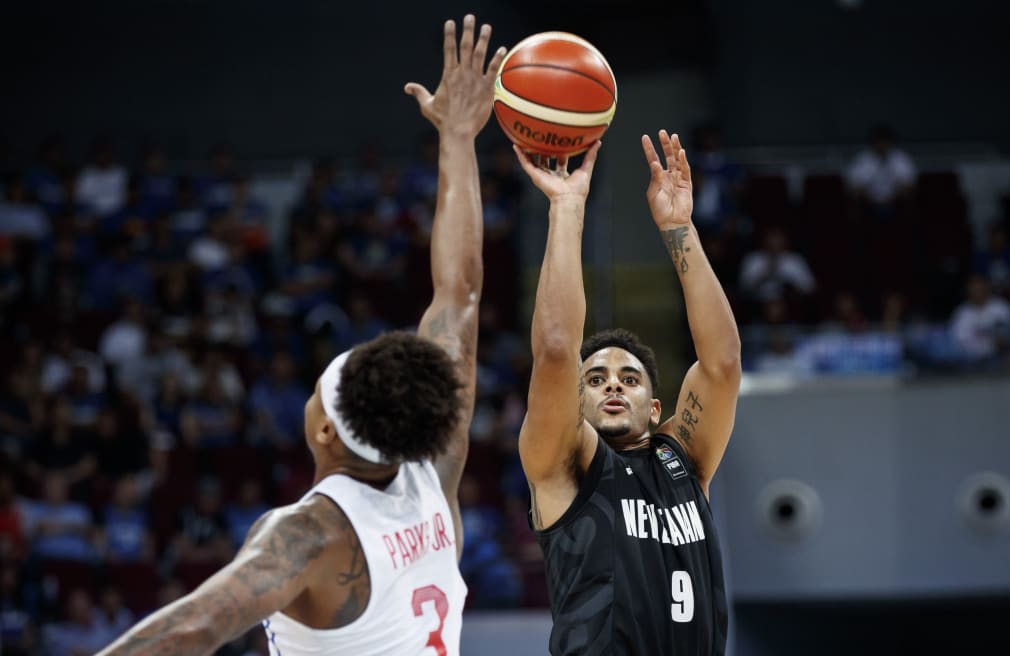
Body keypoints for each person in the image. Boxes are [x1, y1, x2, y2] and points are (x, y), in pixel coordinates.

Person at [98, 15, 505, 655]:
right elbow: (461, 292)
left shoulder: (310, 533)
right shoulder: (434, 470)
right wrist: (458, 138)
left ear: (323, 429)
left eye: (319, 388)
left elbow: (195, 627)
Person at [514, 129, 740, 655]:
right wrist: (567, 207)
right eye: (595, 380)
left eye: (629, 379)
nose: (613, 383)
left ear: (655, 408)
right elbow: (553, 349)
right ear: (577, 402)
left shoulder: (684, 460)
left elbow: (723, 363)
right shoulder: (564, 467)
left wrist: (680, 228)